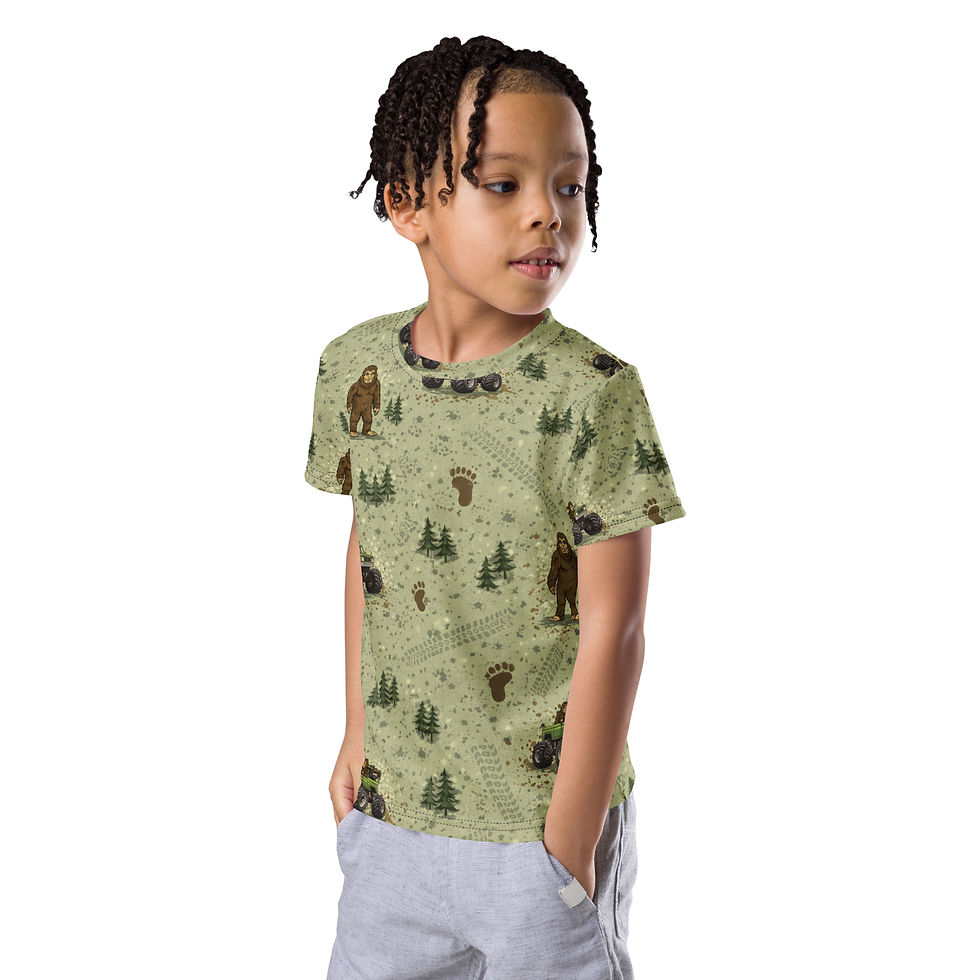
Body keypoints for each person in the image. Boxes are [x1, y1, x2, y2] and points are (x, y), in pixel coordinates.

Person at [304, 35, 687, 980]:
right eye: (504, 184)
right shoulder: (354, 367)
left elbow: (616, 625)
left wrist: (570, 836)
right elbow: (372, 550)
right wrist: (357, 733)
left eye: (571, 186)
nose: (549, 215)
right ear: (408, 203)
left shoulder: (593, 393)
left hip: (539, 842)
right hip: (391, 823)